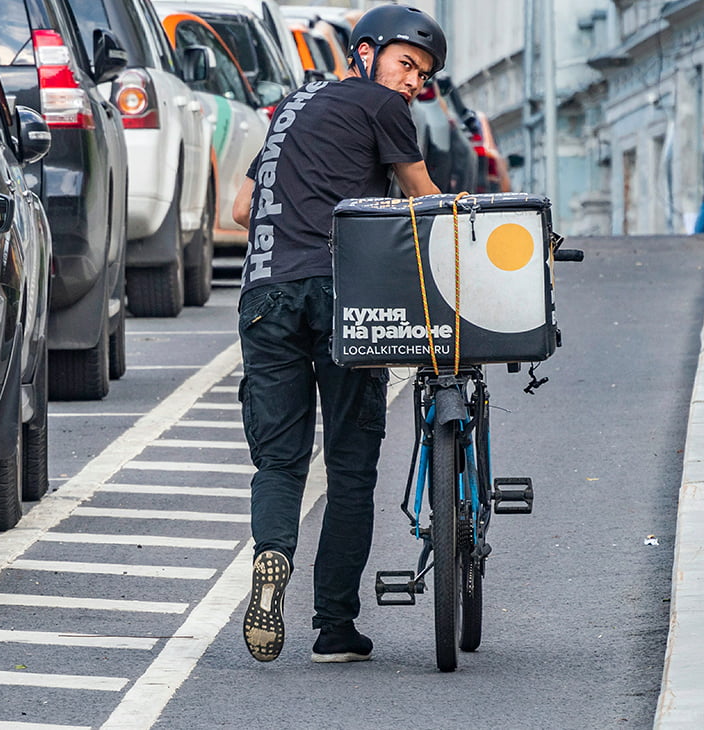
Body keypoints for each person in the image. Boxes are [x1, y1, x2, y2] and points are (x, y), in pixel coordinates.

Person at [230, 5, 444, 664]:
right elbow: (424, 198)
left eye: (423, 75)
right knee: (350, 469)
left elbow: (238, 210)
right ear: (367, 52)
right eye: (406, 64)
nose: (412, 82)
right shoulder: (382, 108)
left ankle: (272, 554)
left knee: (279, 462)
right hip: (341, 296)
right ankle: (333, 627)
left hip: (264, 295)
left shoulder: (293, 106)